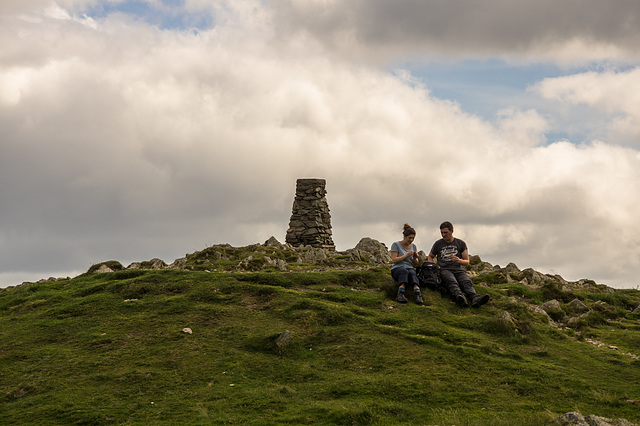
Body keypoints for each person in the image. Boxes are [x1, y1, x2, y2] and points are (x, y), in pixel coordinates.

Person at [427, 221, 490, 308]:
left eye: (445, 232)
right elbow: (430, 256)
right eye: (441, 232)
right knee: (451, 281)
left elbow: (467, 262)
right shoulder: (438, 244)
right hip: (444, 269)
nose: (443, 235)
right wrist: (434, 267)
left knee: (466, 281)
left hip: (458, 269)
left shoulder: (460, 243)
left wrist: (459, 260)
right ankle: (459, 297)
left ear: (452, 231)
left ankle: (475, 298)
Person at [390, 224, 423, 304]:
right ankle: (400, 293)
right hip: (397, 268)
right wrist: (406, 255)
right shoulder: (396, 245)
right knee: (404, 271)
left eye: (413, 238)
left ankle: (417, 294)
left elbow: (415, 263)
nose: (411, 240)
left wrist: (415, 258)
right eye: (409, 238)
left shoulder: (413, 246)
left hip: (409, 268)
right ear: (404, 236)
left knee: (412, 272)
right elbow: (394, 260)